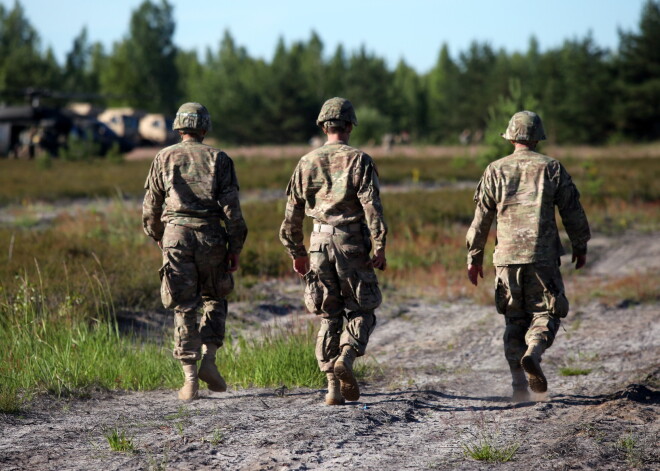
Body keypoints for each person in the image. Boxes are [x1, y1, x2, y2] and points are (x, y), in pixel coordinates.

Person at [466, 111, 590, 402]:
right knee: (546, 313)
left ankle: (518, 386)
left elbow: (481, 219)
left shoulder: (494, 170)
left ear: (510, 137)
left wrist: (474, 256)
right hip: (542, 256)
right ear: (537, 137)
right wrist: (580, 244)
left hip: (506, 258)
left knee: (514, 320)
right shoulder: (552, 168)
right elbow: (572, 210)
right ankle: (534, 351)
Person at [279, 97, 387, 405]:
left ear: (323, 126)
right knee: (363, 308)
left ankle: (331, 387)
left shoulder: (306, 162)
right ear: (350, 125)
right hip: (351, 243)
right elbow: (373, 209)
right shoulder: (360, 161)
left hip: (318, 245)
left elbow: (291, 216)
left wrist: (297, 252)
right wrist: (379, 245)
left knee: (329, 313)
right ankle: (347, 356)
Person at [142, 102, 248, 401]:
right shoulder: (220, 159)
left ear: (178, 128)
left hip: (176, 236)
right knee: (215, 298)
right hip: (211, 237)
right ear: (204, 129)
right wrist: (235, 246)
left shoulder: (163, 157)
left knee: (184, 305)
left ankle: (189, 380)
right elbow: (232, 211)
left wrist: (161, 238)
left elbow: (150, 208)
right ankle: (210, 360)